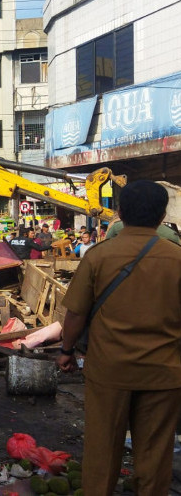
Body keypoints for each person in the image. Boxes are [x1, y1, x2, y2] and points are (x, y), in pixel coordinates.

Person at [57, 180, 181, 495]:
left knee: (102, 451)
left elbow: (75, 315)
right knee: (154, 456)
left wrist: (66, 351)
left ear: (121, 212)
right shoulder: (177, 258)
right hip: (164, 373)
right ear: (162, 214)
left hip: (109, 372)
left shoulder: (99, 256)